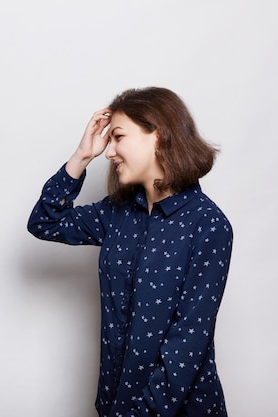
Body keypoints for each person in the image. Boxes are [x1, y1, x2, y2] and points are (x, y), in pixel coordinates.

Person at [27, 87, 233, 417]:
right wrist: (81, 155)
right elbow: (45, 222)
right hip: (114, 403)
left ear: (158, 136)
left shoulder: (208, 225)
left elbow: (188, 341)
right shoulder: (118, 213)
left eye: (118, 137)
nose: (109, 152)